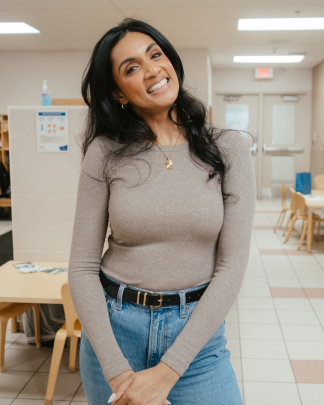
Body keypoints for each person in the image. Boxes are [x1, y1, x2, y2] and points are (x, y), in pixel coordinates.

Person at [68, 18, 256, 405]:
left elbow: (231, 266)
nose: (152, 68)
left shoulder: (228, 148)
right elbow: (83, 267)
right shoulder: (104, 152)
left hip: (197, 341)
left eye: (155, 54)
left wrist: (170, 370)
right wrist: (118, 370)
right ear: (119, 93)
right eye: (132, 67)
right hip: (115, 332)